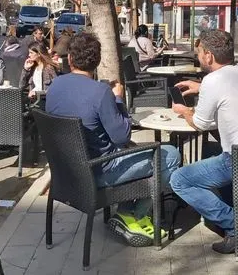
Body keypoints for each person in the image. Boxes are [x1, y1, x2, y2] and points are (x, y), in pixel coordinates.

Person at [45, 32, 180, 246]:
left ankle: (127, 211)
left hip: (67, 172)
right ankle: (132, 213)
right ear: (97, 61)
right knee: (171, 155)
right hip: (99, 172)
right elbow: (121, 136)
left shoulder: (54, 87)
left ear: (69, 59)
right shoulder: (100, 92)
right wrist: (117, 97)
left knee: (139, 150)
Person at [169, 30, 238, 254]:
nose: (198, 57)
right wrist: (200, 87)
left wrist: (183, 110)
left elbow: (200, 123)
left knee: (179, 179)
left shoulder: (213, 80)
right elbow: (230, 89)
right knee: (212, 151)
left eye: (199, 53)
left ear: (209, 56)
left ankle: (236, 224)